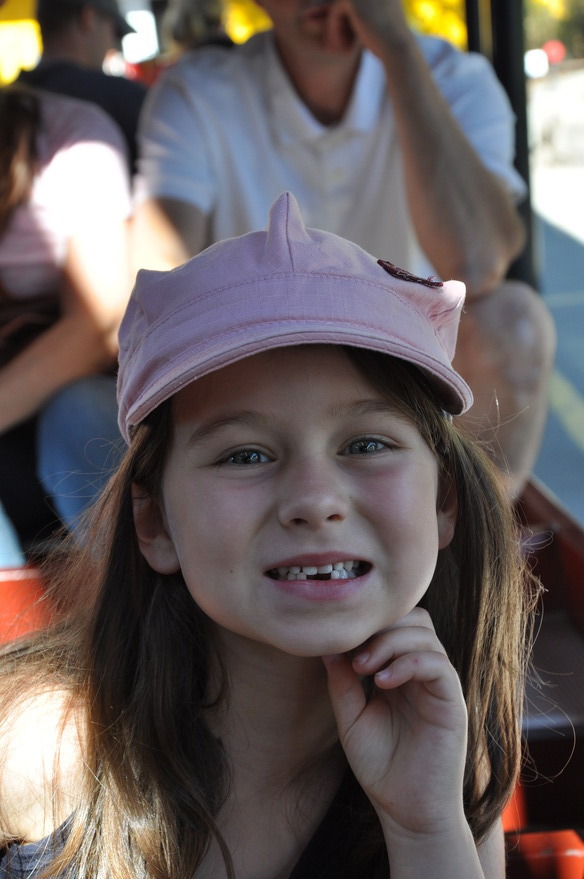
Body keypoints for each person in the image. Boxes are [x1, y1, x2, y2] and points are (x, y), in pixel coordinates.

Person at [0, 193, 537, 878]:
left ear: (444, 500)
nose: (315, 501)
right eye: (246, 455)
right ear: (155, 524)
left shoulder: (442, 750)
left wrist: (423, 824)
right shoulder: (43, 744)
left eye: (367, 444)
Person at [133, 0, 556, 498]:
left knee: (514, 322)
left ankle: (465, 530)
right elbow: (159, 274)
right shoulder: (197, 91)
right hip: (254, 371)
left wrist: (397, 50)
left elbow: (476, 262)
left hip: (413, 372)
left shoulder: (454, 78)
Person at [0, 84, 132, 559]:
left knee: (84, 417)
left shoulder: (68, 136)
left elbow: (98, 325)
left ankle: (137, 592)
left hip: (58, 385)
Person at [17, 0, 147, 172]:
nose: (112, 46)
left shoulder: (10, 104)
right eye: (114, 32)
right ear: (88, 18)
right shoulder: (127, 100)